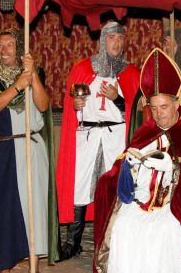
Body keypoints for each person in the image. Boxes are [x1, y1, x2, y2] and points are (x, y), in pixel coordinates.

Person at [89, 49, 181, 273]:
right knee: (124, 225)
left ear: (176, 104)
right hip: (144, 197)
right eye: (154, 109)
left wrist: (174, 165)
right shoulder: (146, 130)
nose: (159, 115)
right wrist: (128, 167)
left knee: (164, 229)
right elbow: (122, 166)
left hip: (175, 201)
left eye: (164, 108)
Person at [0, 29, 59, 273]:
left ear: (20, 49)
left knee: (34, 209)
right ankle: (4, 272)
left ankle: (34, 270)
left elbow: (44, 106)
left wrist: (32, 78)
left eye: (10, 45)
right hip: (2, 150)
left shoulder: (36, 73)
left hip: (31, 146)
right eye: (1, 45)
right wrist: (16, 87)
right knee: (4, 210)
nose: (5, 49)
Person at [56, 22, 140, 260]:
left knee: (115, 190)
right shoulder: (83, 68)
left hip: (115, 139)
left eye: (120, 39)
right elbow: (71, 106)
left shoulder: (130, 73)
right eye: (112, 38)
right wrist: (75, 106)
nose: (116, 43)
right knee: (80, 186)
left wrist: (118, 98)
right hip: (88, 136)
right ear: (103, 40)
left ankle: (115, 243)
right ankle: (73, 243)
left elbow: (135, 114)